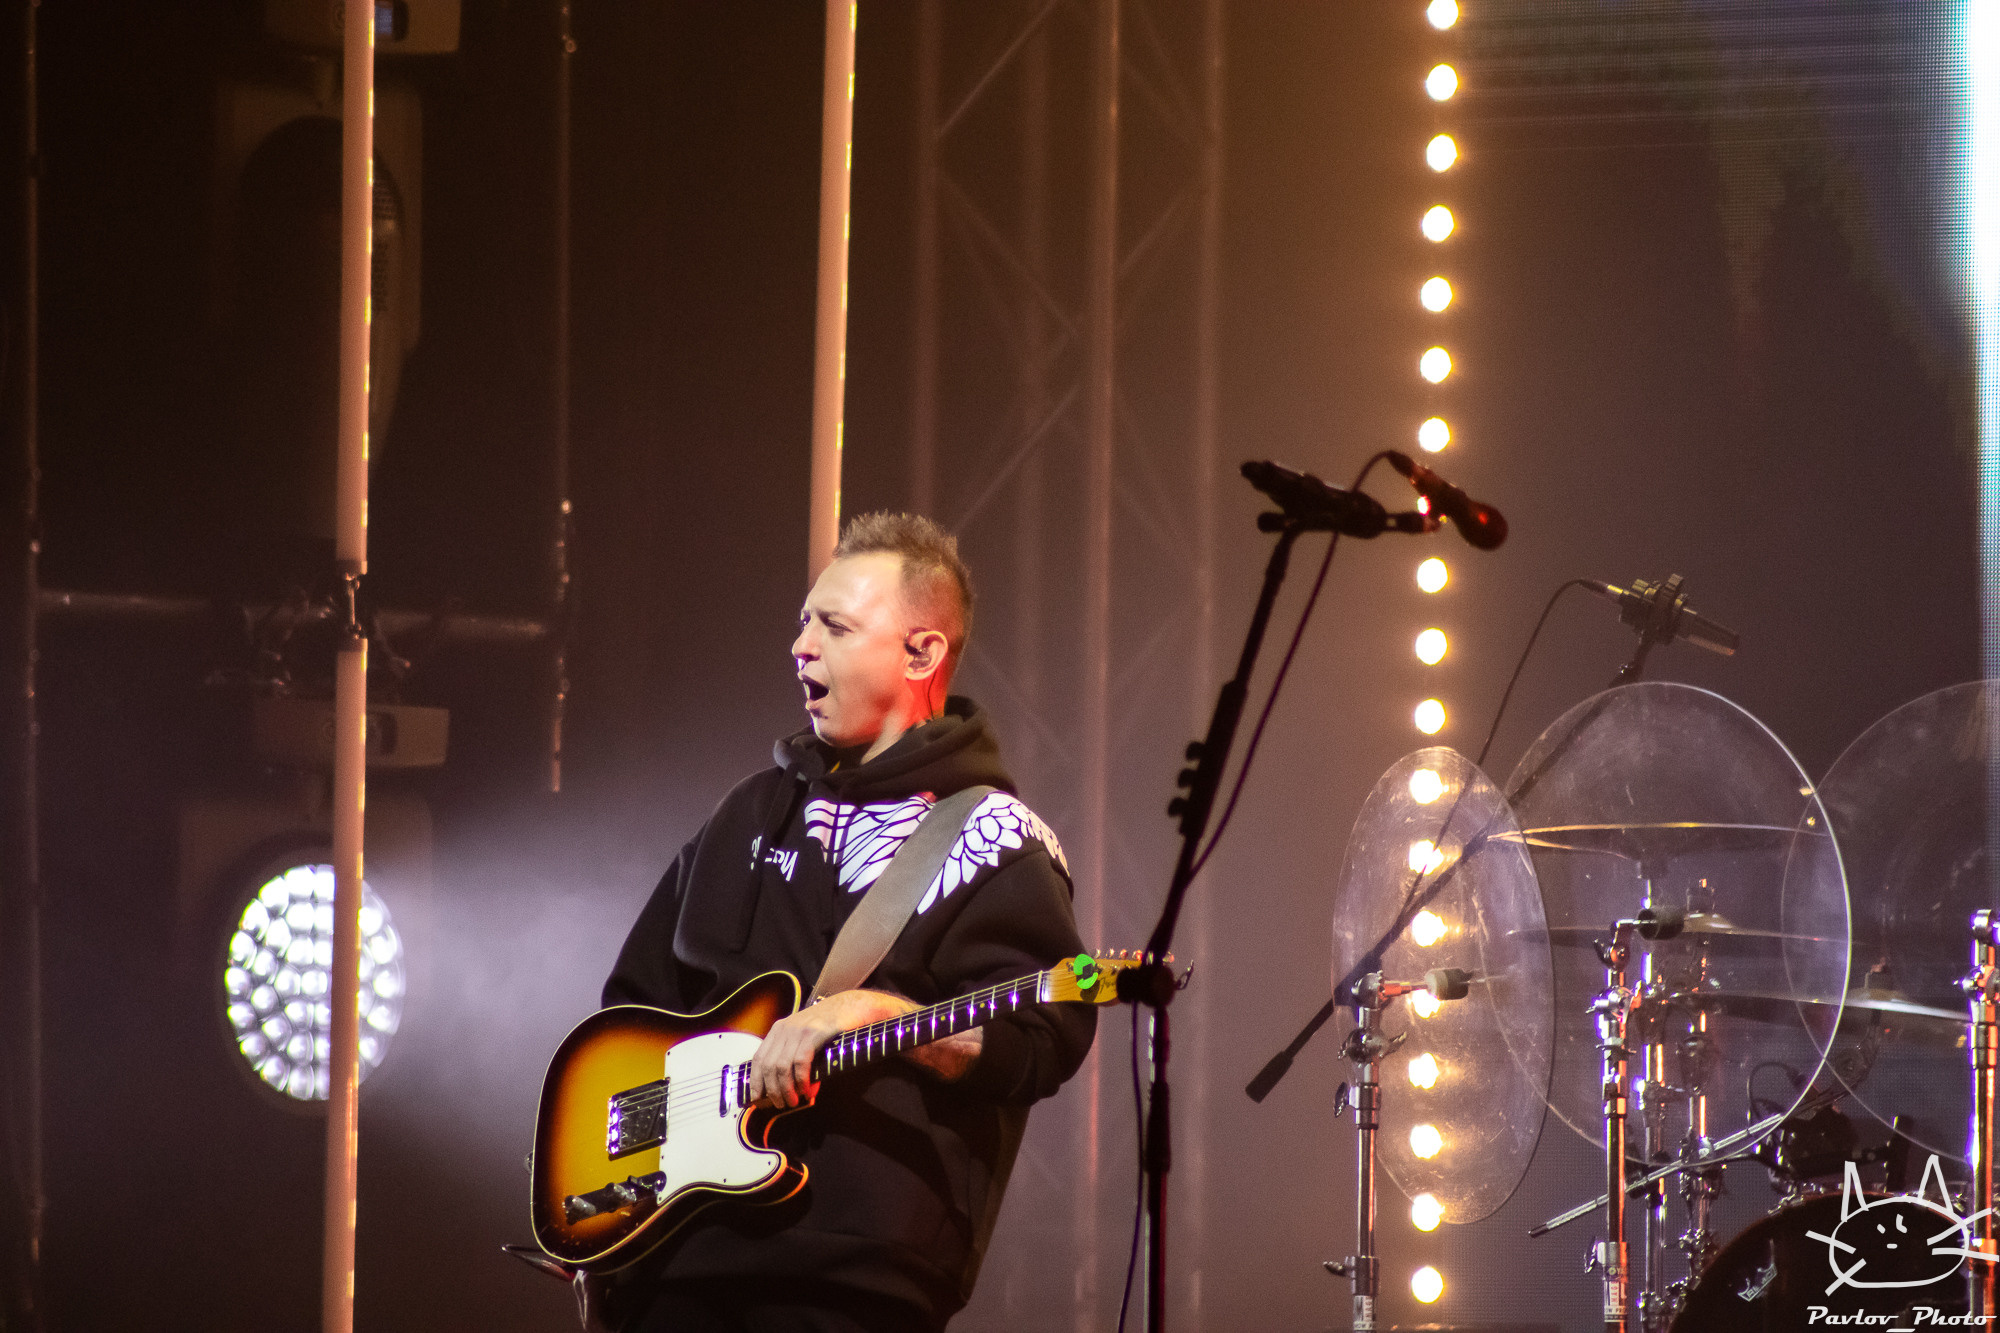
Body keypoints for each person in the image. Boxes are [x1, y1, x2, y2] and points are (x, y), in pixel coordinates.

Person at [600, 512, 1097, 1333]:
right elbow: (633, 1006)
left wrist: (871, 1012)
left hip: (853, 1278)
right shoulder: (747, 812)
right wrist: (601, 1177)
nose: (800, 647)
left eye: (833, 625)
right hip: (676, 1259)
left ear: (922, 652)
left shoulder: (995, 839)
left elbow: (1041, 1034)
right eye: (803, 623)